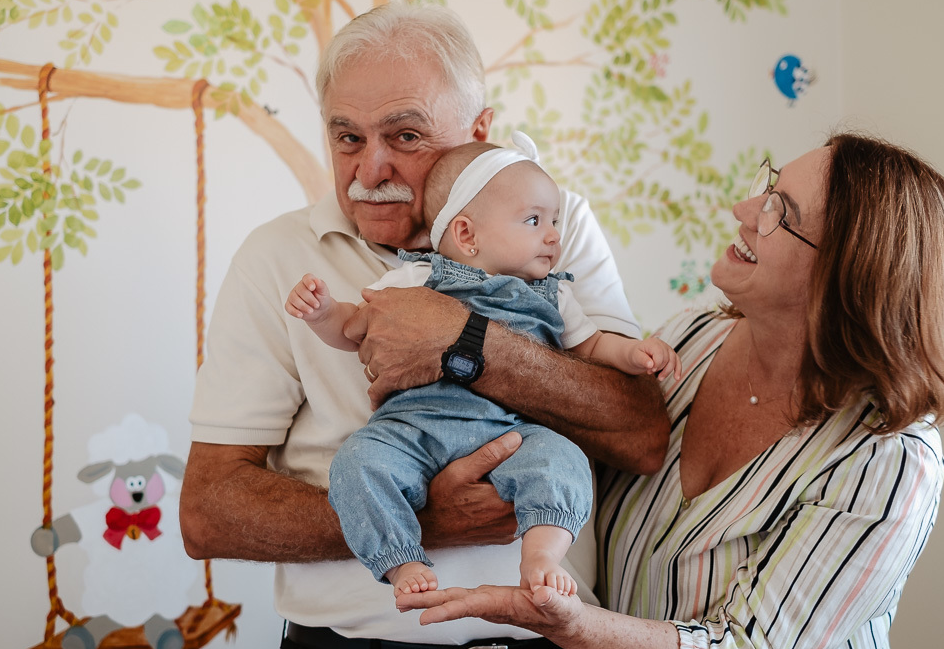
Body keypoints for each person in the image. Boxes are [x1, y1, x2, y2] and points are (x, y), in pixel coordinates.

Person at [180, 1, 670, 649]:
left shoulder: (550, 222)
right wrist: (428, 522)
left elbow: (640, 433)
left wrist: (465, 341)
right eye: (348, 137)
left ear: (479, 133)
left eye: (405, 136)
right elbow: (209, 512)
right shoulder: (278, 258)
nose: (370, 169)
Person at [397, 133, 944, 649]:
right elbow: (581, 448)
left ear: (848, 274)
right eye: (767, 186)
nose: (743, 209)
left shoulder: (888, 458)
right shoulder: (692, 339)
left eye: (780, 211)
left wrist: (572, 623)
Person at [286, 137, 680, 599]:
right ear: (467, 235)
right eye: (534, 221)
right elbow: (354, 326)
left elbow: (592, 346)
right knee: (357, 462)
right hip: (413, 430)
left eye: (554, 221)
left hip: (511, 433)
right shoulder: (419, 277)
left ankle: (541, 554)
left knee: (562, 460)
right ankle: (399, 557)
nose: (554, 236)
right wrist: (323, 313)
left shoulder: (554, 294)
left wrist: (633, 354)